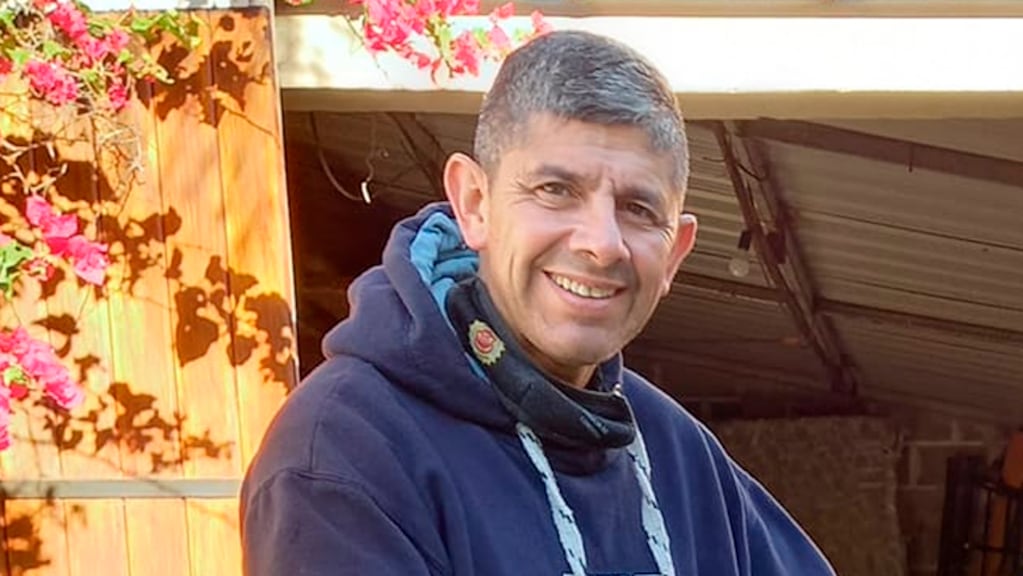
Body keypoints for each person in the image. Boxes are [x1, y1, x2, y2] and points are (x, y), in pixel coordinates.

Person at [240, 30, 836, 576]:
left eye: (637, 208)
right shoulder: (345, 452)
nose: (602, 243)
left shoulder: (680, 455)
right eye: (555, 190)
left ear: (675, 253)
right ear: (475, 204)